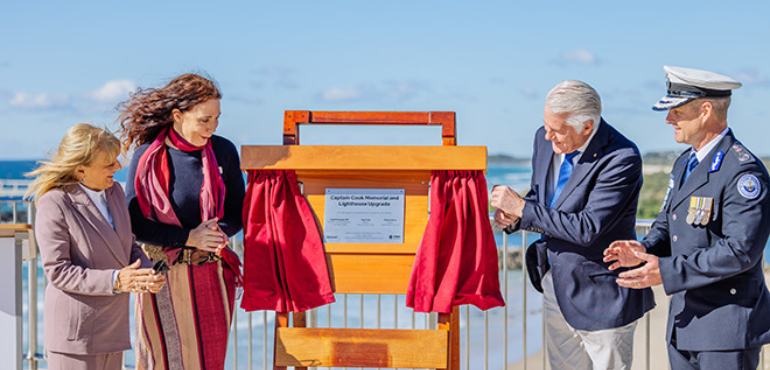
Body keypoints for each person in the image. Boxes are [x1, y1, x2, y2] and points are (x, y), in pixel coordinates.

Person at [604, 66, 770, 370]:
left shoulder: (743, 171)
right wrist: (645, 251)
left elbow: (741, 251)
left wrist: (665, 272)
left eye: (676, 111)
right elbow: (667, 224)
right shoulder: (684, 164)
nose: (669, 119)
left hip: (726, 330)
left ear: (705, 110)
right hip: (684, 324)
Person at [491, 80, 654, 370]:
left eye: (557, 130)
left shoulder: (621, 157)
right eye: (546, 125)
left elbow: (586, 227)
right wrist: (515, 217)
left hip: (604, 295)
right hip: (556, 286)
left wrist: (523, 208)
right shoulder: (543, 139)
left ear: (587, 126)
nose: (548, 135)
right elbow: (544, 200)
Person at [118, 73, 245, 370]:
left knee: (208, 364)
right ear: (177, 115)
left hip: (211, 272)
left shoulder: (223, 150)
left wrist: (216, 235)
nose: (212, 127)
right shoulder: (146, 156)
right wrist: (189, 237)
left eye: (217, 118)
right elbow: (134, 222)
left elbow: (238, 211)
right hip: (159, 276)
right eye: (204, 120)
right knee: (160, 363)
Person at [28, 123, 165, 370]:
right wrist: (116, 280)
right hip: (75, 333)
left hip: (113, 328)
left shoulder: (114, 192)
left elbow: (128, 245)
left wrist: (146, 273)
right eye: (109, 164)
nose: (118, 168)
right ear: (81, 169)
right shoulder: (55, 203)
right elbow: (58, 271)